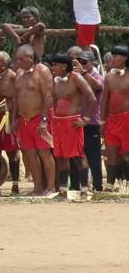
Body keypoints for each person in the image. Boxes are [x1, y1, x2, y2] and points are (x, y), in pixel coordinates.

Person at [50, 52, 96, 200]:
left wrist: (86, 118)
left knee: (77, 155)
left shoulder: (76, 78)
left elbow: (92, 97)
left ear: (64, 66)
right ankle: (63, 190)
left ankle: (84, 190)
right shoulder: (57, 80)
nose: (53, 67)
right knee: (61, 156)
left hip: (72, 122)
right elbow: (54, 101)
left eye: (55, 65)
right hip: (58, 122)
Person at [12, 45, 56, 195]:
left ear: (31, 58)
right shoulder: (19, 73)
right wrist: (14, 119)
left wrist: (44, 120)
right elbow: (15, 99)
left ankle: (50, 187)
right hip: (23, 120)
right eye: (17, 59)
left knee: (44, 153)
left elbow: (48, 97)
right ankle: (37, 187)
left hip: (39, 117)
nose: (18, 62)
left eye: (21, 59)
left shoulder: (42, 71)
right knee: (29, 154)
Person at [0, 51, 21, 194]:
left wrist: (14, 119)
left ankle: (15, 184)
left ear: (4, 64)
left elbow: (16, 100)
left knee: (12, 152)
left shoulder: (13, 77)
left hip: (8, 118)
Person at [72, 50, 104, 192]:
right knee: (75, 155)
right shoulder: (75, 77)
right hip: (77, 121)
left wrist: (83, 72)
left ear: (92, 64)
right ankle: (76, 186)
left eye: (84, 62)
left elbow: (97, 86)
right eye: (79, 62)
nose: (81, 65)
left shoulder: (97, 76)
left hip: (91, 122)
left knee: (93, 156)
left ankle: (97, 187)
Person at [100, 45, 129, 191]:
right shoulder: (109, 76)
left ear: (124, 58)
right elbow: (104, 99)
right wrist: (102, 120)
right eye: (112, 55)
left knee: (125, 153)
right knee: (111, 152)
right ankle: (110, 184)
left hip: (127, 118)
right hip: (112, 119)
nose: (113, 58)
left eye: (116, 56)